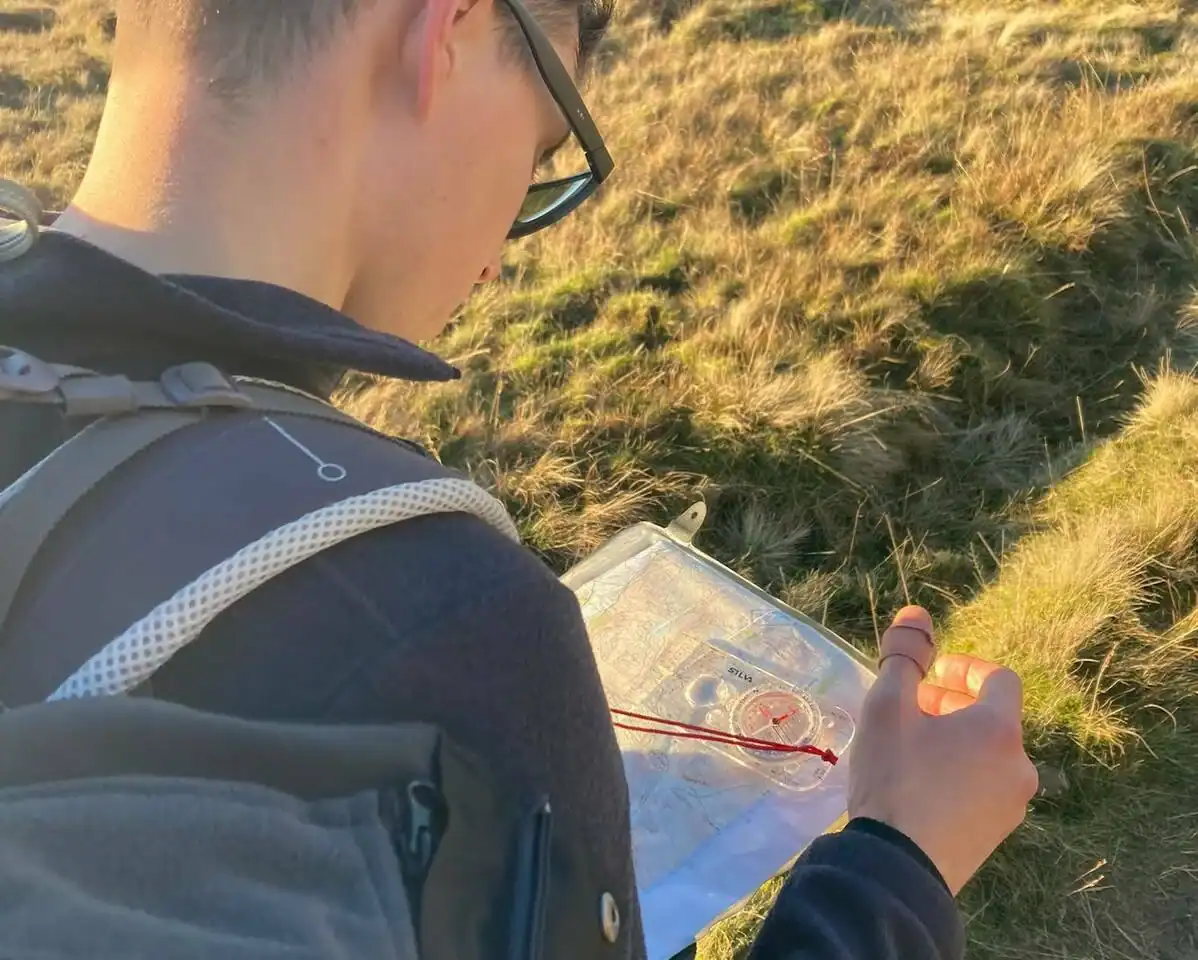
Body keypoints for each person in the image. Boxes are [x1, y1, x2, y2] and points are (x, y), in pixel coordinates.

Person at [0, 0, 1039, 956]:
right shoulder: (446, 623)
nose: (505, 244)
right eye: (546, 148)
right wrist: (899, 858)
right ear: (441, 32)